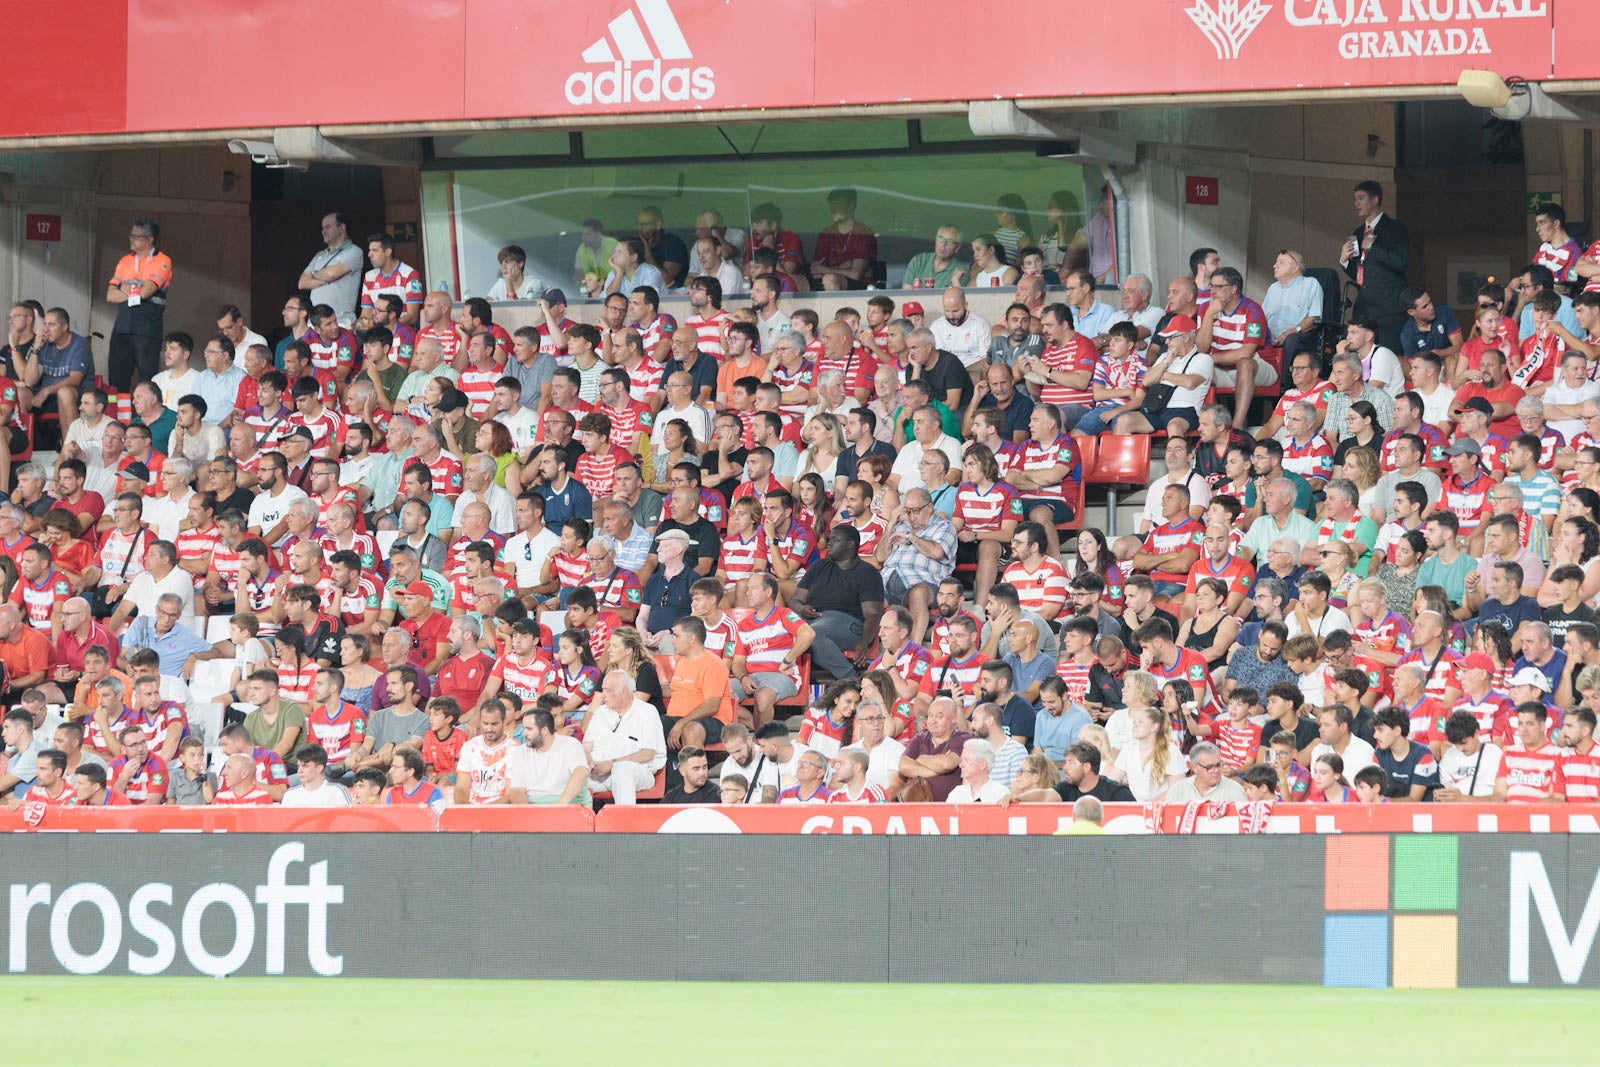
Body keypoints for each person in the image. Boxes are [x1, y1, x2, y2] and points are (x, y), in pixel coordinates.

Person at [1340, 179, 1410, 353]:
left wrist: (1373, 248)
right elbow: (1359, 272)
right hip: (1364, 308)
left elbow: (1400, 262)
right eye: (1355, 199)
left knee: (1390, 355)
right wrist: (1344, 261)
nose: (1356, 204)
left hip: (1388, 308)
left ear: (1375, 200)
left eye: (1361, 198)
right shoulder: (1357, 232)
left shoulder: (1394, 228)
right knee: (1363, 359)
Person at [105, 218, 172, 393]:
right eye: (131, 235)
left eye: (136, 237)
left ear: (149, 239)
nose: (131, 240)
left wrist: (127, 288)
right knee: (116, 381)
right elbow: (110, 295)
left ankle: (146, 420)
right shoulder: (125, 260)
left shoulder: (162, 260)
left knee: (147, 380)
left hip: (147, 329)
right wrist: (135, 289)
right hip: (122, 327)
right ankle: (118, 419)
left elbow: (146, 292)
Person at [585, 671, 667, 803]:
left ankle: (624, 821)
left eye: (607, 690)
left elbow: (647, 753)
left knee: (622, 770)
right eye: (603, 690)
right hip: (599, 773)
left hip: (637, 772)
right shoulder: (600, 712)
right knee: (572, 775)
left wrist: (612, 764)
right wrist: (590, 763)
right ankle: (580, 822)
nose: (603, 695)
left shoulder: (647, 712)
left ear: (623, 692)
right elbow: (586, 747)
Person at [507, 708, 590, 805]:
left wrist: (560, 805)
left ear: (544, 731)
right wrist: (526, 814)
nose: (524, 733)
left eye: (529, 729)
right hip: (535, 808)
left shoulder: (570, 744)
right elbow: (517, 790)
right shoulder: (520, 752)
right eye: (524, 728)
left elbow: (580, 772)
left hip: (569, 804)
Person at [280, 744, 352, 807]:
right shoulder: (290, 795)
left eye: (305, 766)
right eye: (299, 766)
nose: (299, 770)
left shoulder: (337, 791)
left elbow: (351, 819)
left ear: (319, 768)